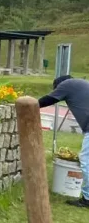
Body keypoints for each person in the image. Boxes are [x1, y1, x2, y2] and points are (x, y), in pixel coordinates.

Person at [38, 76, 89, 209]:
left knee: (86, 160)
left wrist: (29, 105)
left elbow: (49, 99)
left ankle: (88, 199)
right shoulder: (81, 84)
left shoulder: (67, 84)